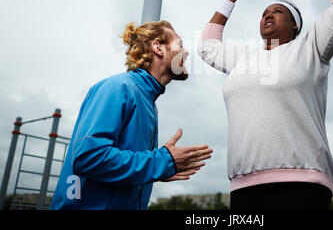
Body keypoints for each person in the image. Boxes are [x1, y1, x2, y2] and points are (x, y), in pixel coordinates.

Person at [197, 0, 333, 210]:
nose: (268, 15)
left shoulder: (311, 47)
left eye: (278, 11)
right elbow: (207, 48)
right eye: (264, 13)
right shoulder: (245, 56)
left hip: (302, 182)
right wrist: (226, 3)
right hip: (244, 185)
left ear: (294, 24)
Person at [51, 20, 213, 210]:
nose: (185, 52)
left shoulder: (150, 104)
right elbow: (88, 157)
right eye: (180, 45)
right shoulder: (118, 88)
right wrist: (162, 161)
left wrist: (158, 169)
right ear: (158, 48)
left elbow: (130, 166)